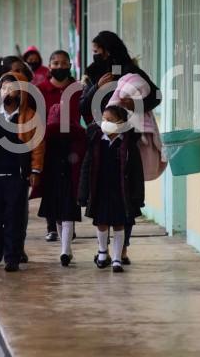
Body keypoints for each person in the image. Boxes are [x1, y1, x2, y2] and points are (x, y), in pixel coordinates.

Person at [79, 30, 159, 264]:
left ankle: (122, 248)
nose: (95, 56)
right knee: (101, 192)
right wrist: (96, 88)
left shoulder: (130, 70)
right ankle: (103, 249)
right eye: (93, 52)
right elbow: (83, 106)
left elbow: (156, 95)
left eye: (97, 51)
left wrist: (135, 103)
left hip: (126, 136)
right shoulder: (93, 73)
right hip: (100, 138)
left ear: (109, 50)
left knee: (126, 193)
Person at [0, 72, 45, 272]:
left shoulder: (30, 116)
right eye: (4, 88)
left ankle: (12, 257)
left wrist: (35, 170)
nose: (8, 92)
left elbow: (38, 145)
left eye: (12, 88)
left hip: (18, 176)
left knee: (15, 219)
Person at [79, 105, 144, 273]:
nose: (105, 123)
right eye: (104, 119)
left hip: (121, 191)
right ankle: (102, 252)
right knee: (101, 222)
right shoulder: (96, 141)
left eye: (110, 120)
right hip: (100, 188)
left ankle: (116, 258)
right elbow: (86, 168)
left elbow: (137, 172)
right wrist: (83, 193)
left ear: (121, 123)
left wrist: (138, 196)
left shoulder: (128, 144)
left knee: (119, 223)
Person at [35, 50, 85, 265]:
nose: (60, 66)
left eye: (64, 63)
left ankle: (66, 248)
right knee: (54, 199)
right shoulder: (39, 91)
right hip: (49, 150)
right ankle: (61, 238)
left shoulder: (79, 90)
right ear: (49, 65)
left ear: (70, 65)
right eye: (55, 63)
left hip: (74, 150)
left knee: (69, 198)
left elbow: (91, 116)